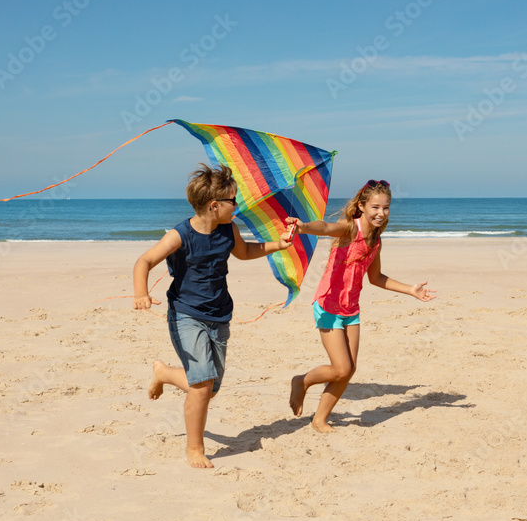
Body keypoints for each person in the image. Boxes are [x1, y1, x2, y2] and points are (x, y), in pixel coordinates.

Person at [134, 164, 292, 468]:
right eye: (233, 200)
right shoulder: (180, 235)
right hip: (185, 314)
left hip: (220, 314)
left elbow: (244, 252)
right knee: (202, 385)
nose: (238, 206)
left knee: (210, 387)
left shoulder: (228, 229)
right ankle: (195, 448)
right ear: (214, 205)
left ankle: (164, 373)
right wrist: (141, 293)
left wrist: (277, 245)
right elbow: (144, 261)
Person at [286, 179, 436, 432]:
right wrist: (304, 227)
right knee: (341, 367)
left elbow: (376, 278)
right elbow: (325, 227)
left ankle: (319, 419)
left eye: (386, 208)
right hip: (328, 305)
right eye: (375, 207)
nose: (381, 213)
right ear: (363, 206)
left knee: (349, 370)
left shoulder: (375, 240)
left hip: (350, 309)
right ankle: (301, 381)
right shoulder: (350, 229)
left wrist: (410, 290)